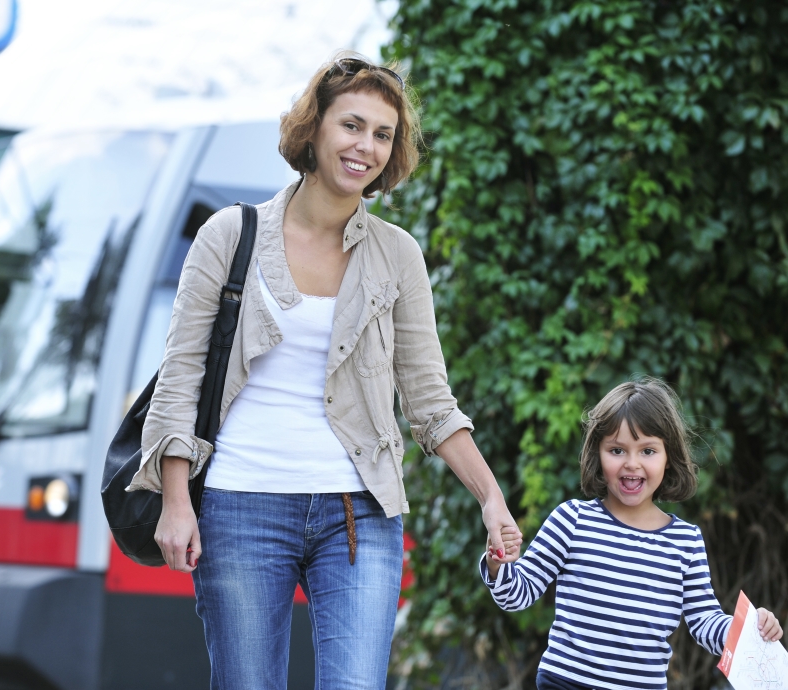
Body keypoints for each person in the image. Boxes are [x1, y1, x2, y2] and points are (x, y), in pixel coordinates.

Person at [129, 51, 522, 689]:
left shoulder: (398, 255)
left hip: (358, 512)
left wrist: (491, 498)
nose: (366, 146)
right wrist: (177, 500)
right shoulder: (230, 235)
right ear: (313, 129)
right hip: (241, 505)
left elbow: (430, 401)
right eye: (352, 125)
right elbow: (180, 378)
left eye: (383, 135)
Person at [480, 379, 784, 690]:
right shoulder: (572, 520)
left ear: (669, 457)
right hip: (565, 682)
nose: (632, 464)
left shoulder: (685, 541)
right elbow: (516, 595)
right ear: (598, 453)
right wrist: (498, 563)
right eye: (617, 450)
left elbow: (705, 621)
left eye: (648, 450)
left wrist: (746, 631)